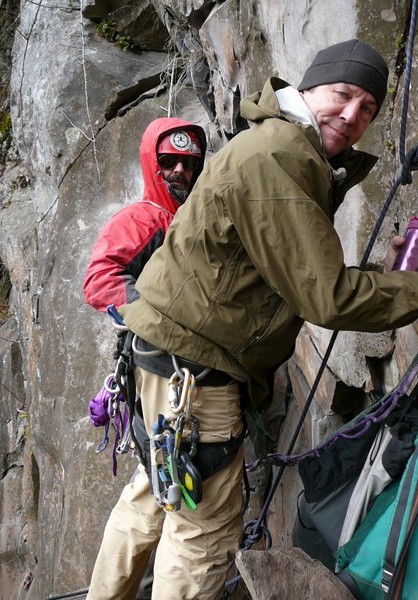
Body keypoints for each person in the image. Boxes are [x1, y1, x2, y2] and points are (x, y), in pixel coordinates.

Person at [118, 39, 418, 600]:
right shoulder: (280, 156)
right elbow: (328, 298)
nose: (352, 116)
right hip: (200, 371)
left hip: (168, 355)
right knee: (201, 537)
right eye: (342, 95)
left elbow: (292, 269)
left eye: (368, 108)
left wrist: (393, 275)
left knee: (150, 501)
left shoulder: (278, 144)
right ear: (309, 87)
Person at [83, 117, 207, 599]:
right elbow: (98, 282)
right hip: (163, 375)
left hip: (169, 374)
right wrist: (156, 318)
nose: (179, 170)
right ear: (151, 163)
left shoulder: (180, 218)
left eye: (188, 163)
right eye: (169, 161)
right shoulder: (143, 218)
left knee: (148, 491)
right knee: (180, 498)